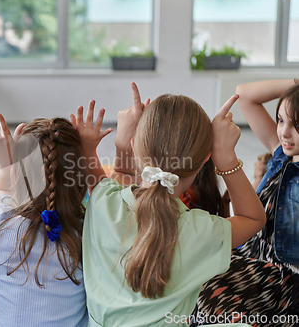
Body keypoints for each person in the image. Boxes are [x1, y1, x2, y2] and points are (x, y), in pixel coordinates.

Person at [75, 83, 265, 327]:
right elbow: (253, 219)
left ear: (134, 145)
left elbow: (121, 173)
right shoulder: (203, 231)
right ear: (206, 160)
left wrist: (117, 143)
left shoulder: (103, 201)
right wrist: (226, 156)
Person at [0, 113, 111, 326]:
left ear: (16, 176)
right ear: (80, 176)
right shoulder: (91, 232)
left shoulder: (0, 220)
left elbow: (1, 188)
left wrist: (6, 163)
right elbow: (108, 204)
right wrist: (89, 153)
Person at [195, 79, 299, 325]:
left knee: (209, 291)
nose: (284, 132)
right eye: (281, 120)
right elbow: (244, 94)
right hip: (244, 257)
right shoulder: (279, 156)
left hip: (280, 276)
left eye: (297, 125)